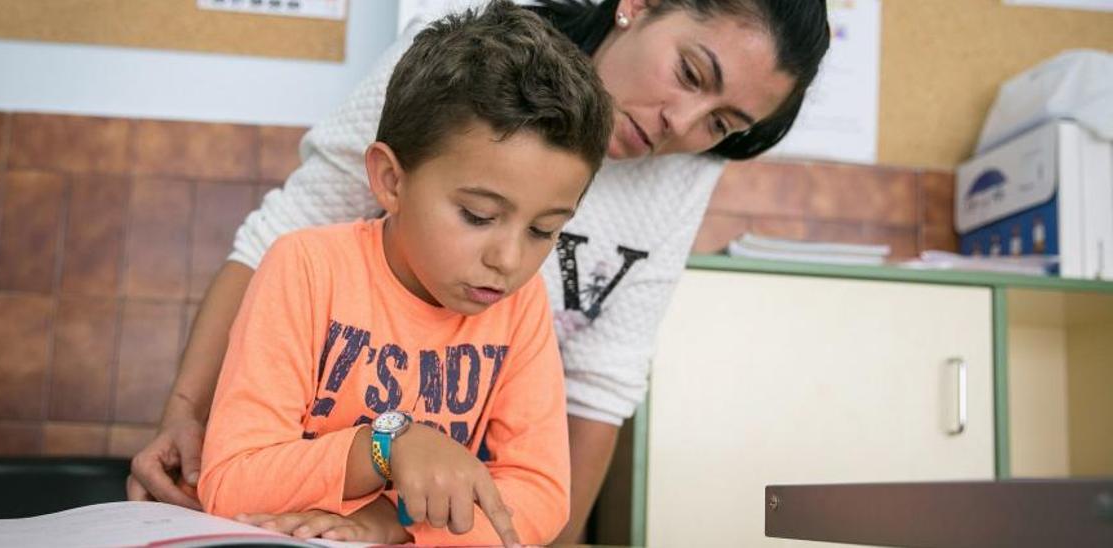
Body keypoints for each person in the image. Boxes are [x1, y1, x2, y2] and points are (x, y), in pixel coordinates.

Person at [129, 0, 830, 543]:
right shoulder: (463, 74)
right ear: (639, 5)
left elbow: (596, 393)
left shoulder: (529, 300)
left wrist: (420, 523)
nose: (684, 124)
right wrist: (187, 414)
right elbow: (278, 237)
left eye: (723, 124)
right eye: (690, 74)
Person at [196, 2, 613, 545]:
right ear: (391, 180)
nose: (509, 260)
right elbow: (231, 483)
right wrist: (387, 448)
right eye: (478, 216)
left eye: (543, 230)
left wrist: (393, 521)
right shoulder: (304, 268)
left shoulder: (520, 305)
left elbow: (540, 496)